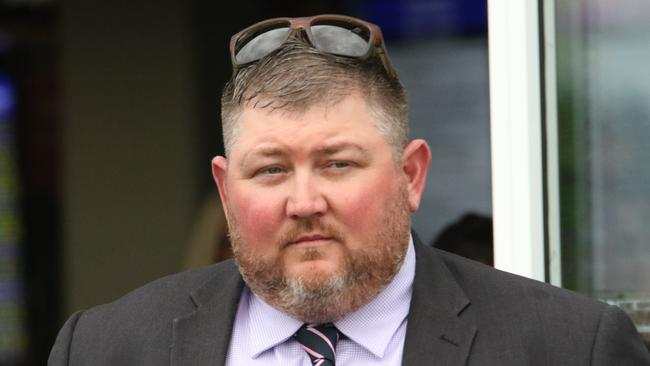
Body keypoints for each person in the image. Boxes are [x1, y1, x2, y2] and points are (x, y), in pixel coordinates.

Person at [48, 14, 649, 365]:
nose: (305, 201)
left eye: (337, 164)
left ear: (410, 176)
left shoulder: (568, 349)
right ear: (227, 192)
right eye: (270, 170)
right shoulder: (107, 348)